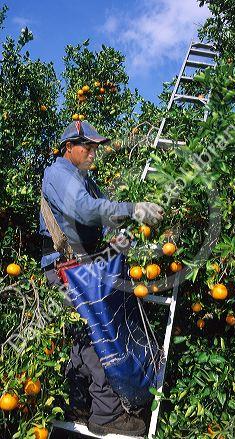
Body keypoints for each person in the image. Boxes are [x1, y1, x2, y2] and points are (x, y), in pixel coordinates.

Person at [39, 120, 163, 436]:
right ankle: (106, 416)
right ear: (69, 148)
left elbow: (103, 219)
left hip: (84, 268)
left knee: (85, 335)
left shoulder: (85, 179)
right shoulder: (59, 174)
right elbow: (85, 211)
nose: (93, 153)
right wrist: (133, 208)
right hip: (67, 269)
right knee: (99, 336)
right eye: (88, 147)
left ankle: (81, 402)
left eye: (96, 148)